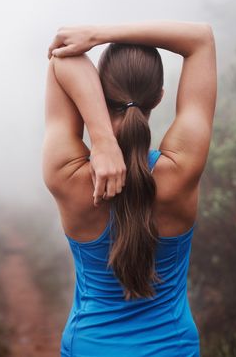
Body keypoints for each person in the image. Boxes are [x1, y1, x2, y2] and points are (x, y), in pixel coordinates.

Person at [41, 21, 217, 356]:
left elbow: (61, 57)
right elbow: (200, 39)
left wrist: (103, 139)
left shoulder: (69, 175)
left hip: (89, 347)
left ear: (96, 93)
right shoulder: (181, 171)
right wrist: (102, 34)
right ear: (160, 97)